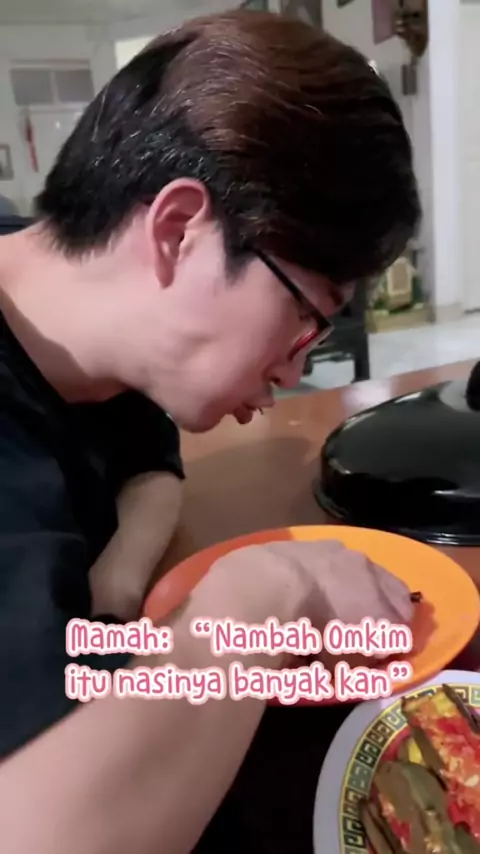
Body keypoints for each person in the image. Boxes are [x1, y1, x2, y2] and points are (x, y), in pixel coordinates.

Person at [0, 9, 420, 853]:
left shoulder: (90, 333)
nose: (294, 373)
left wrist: (117, 587)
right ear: (179, 231)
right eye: (307, 315)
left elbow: (149, 456)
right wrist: (263, 592)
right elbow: (45, 831)